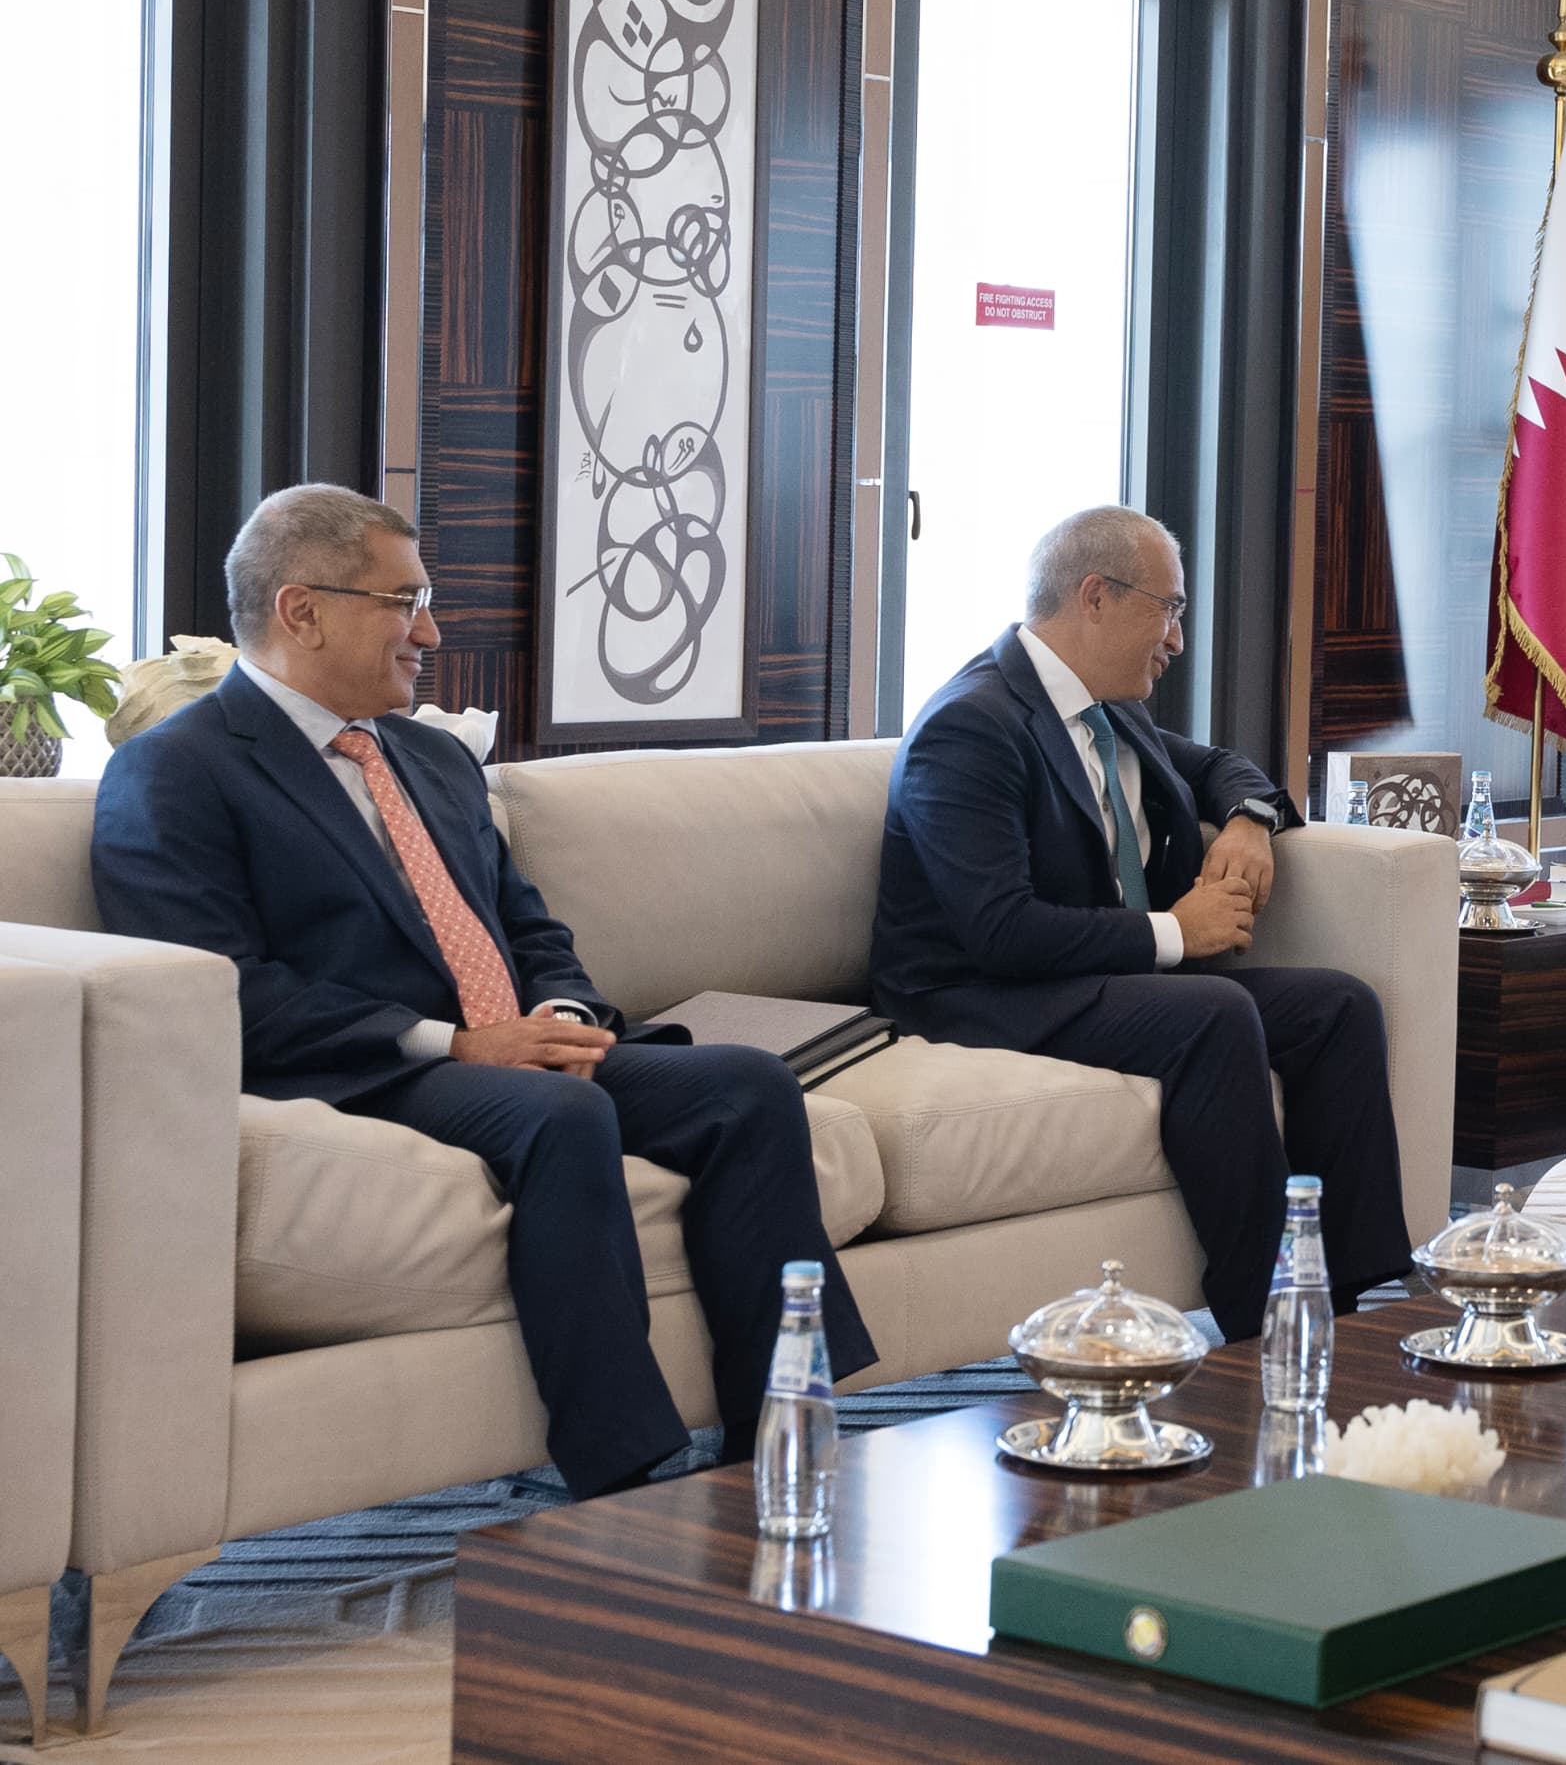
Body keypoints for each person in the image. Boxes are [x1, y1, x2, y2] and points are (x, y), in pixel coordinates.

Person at [89, 485, 871, 1497]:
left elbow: (527, 926)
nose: (429, 631)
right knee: (562, 1113)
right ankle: (626, 1471)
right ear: (301, 611)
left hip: (508, 1049)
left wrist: (565, 1015)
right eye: (403, 601)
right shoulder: (177, 771)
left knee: (748, 1087)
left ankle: (779, 1430)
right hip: (363, 1068)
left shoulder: (430, 757)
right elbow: (219, 992)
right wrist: (453, 1043)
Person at [872, 505, 1408, 1338]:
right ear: (1096, 597)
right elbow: (999, 931)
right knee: (1215, 1012)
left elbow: (1221, 765)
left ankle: (1358, 1307)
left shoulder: (1110, 708)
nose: (1178, 639)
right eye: (1170, 609)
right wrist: (1177, 931)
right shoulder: (970, 725)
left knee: (1340, 1006)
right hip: (980, 995)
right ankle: (1267, 1323)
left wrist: (1248, 821)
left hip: (1092, 979)